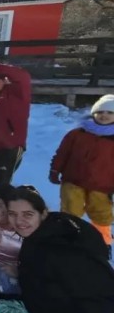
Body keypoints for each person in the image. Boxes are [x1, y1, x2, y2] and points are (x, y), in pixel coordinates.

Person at [50, 94, 114, 246]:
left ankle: (102, 243)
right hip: (73, 180)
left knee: (101, 214)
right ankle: (68, 238)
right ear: (93, 113)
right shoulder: (77, 134)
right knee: (70, 210)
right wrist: (55, 169)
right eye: (100, 112)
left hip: (102, 185)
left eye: (110, 113)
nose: (104, 115)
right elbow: (62, 153)